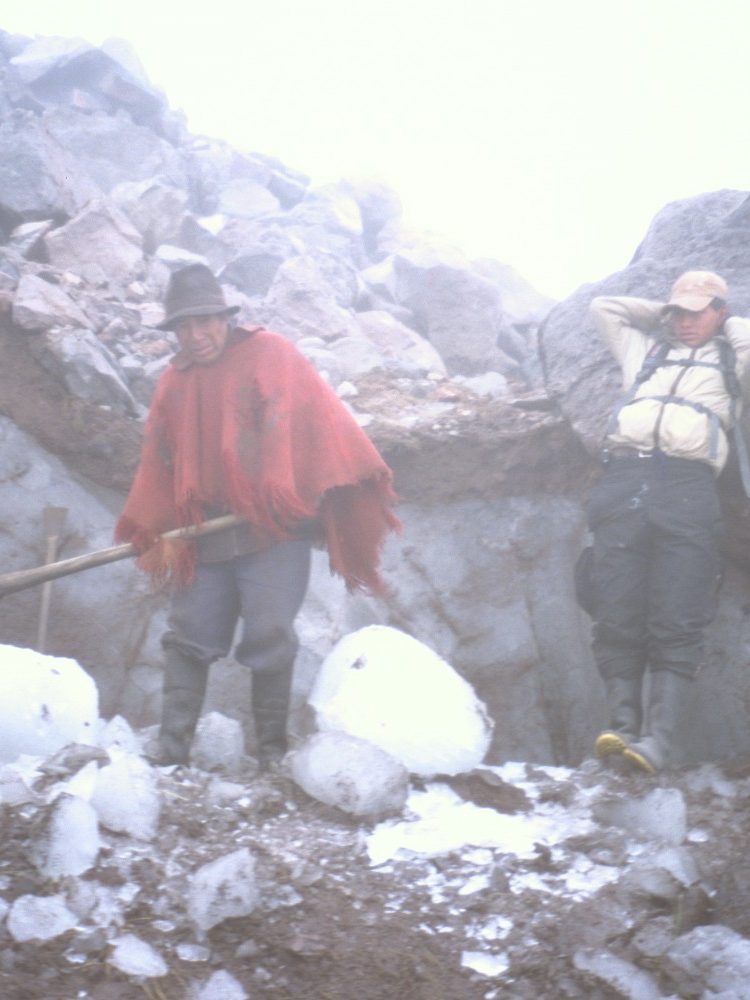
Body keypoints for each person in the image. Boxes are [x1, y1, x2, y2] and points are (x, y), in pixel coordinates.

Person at [116, 263, 400, 767]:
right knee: (188, 635)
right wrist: (152, 524)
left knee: (270, 634)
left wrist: (287, 488)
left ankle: (271, 753)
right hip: (206, 536)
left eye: (205, 321)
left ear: (225, 317)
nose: (196, 335)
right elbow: (158, 464)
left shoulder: (271, 355)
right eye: (183, 326)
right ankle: (171, 752)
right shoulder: (174, 384)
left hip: (273, 533)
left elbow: (317, 427)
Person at [587, 270, 750, 773]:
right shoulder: (648, 353)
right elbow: (604, 308)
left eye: (697, 311)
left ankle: (658, 741)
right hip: (624, 480)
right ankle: (621, 728)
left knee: (677, 614)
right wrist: (665, 308)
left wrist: (728, 323)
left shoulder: (731, 360)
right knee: (615, 606)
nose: (684, 322)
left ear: (720, 311)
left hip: (688, 486)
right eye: (679, 312)